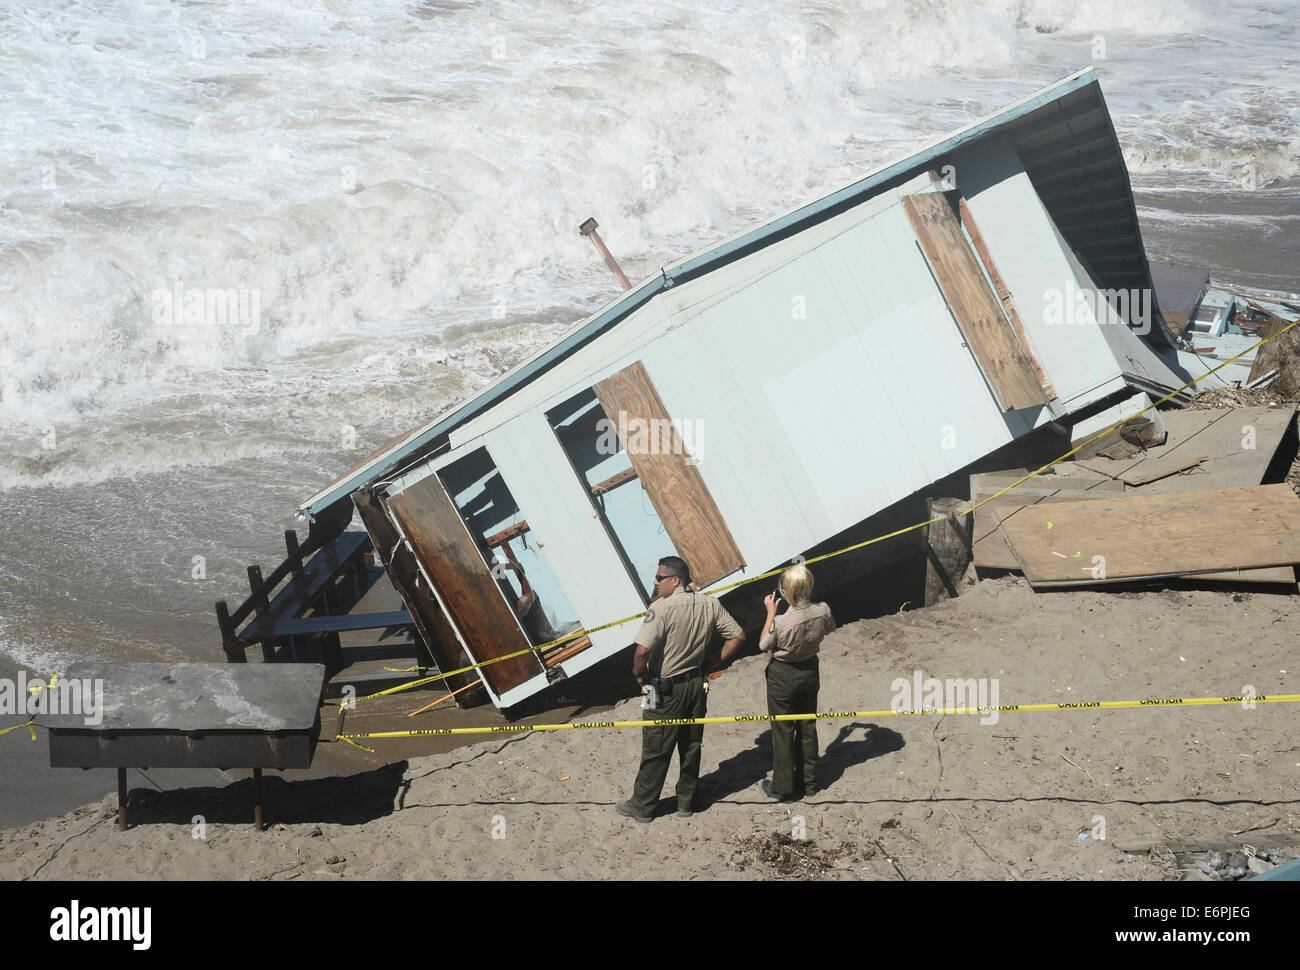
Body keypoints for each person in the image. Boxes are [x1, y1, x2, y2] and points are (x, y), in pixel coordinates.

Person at [616, 556, 746, 822]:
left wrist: (640, 678)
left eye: (659, 578)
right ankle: (687, 802)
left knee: (655, 746)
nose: (655, 582)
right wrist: (715, 661)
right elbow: (738, 636)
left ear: (676, 580)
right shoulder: (710, 603)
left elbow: (641, 652)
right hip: (697, 685)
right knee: (691, 745)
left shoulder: (661, 608)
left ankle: (642, 806)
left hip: (663, 688)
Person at [758, 563, 835, 801]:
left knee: (783, 731)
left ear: (785, 591)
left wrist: (771, 612)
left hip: (784, 673)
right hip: (810, 669)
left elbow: (763, 645)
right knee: (807, 727)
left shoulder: (781, 622)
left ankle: (782, 786)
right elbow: (830, 629)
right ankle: (809, 782)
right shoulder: (823, 610)